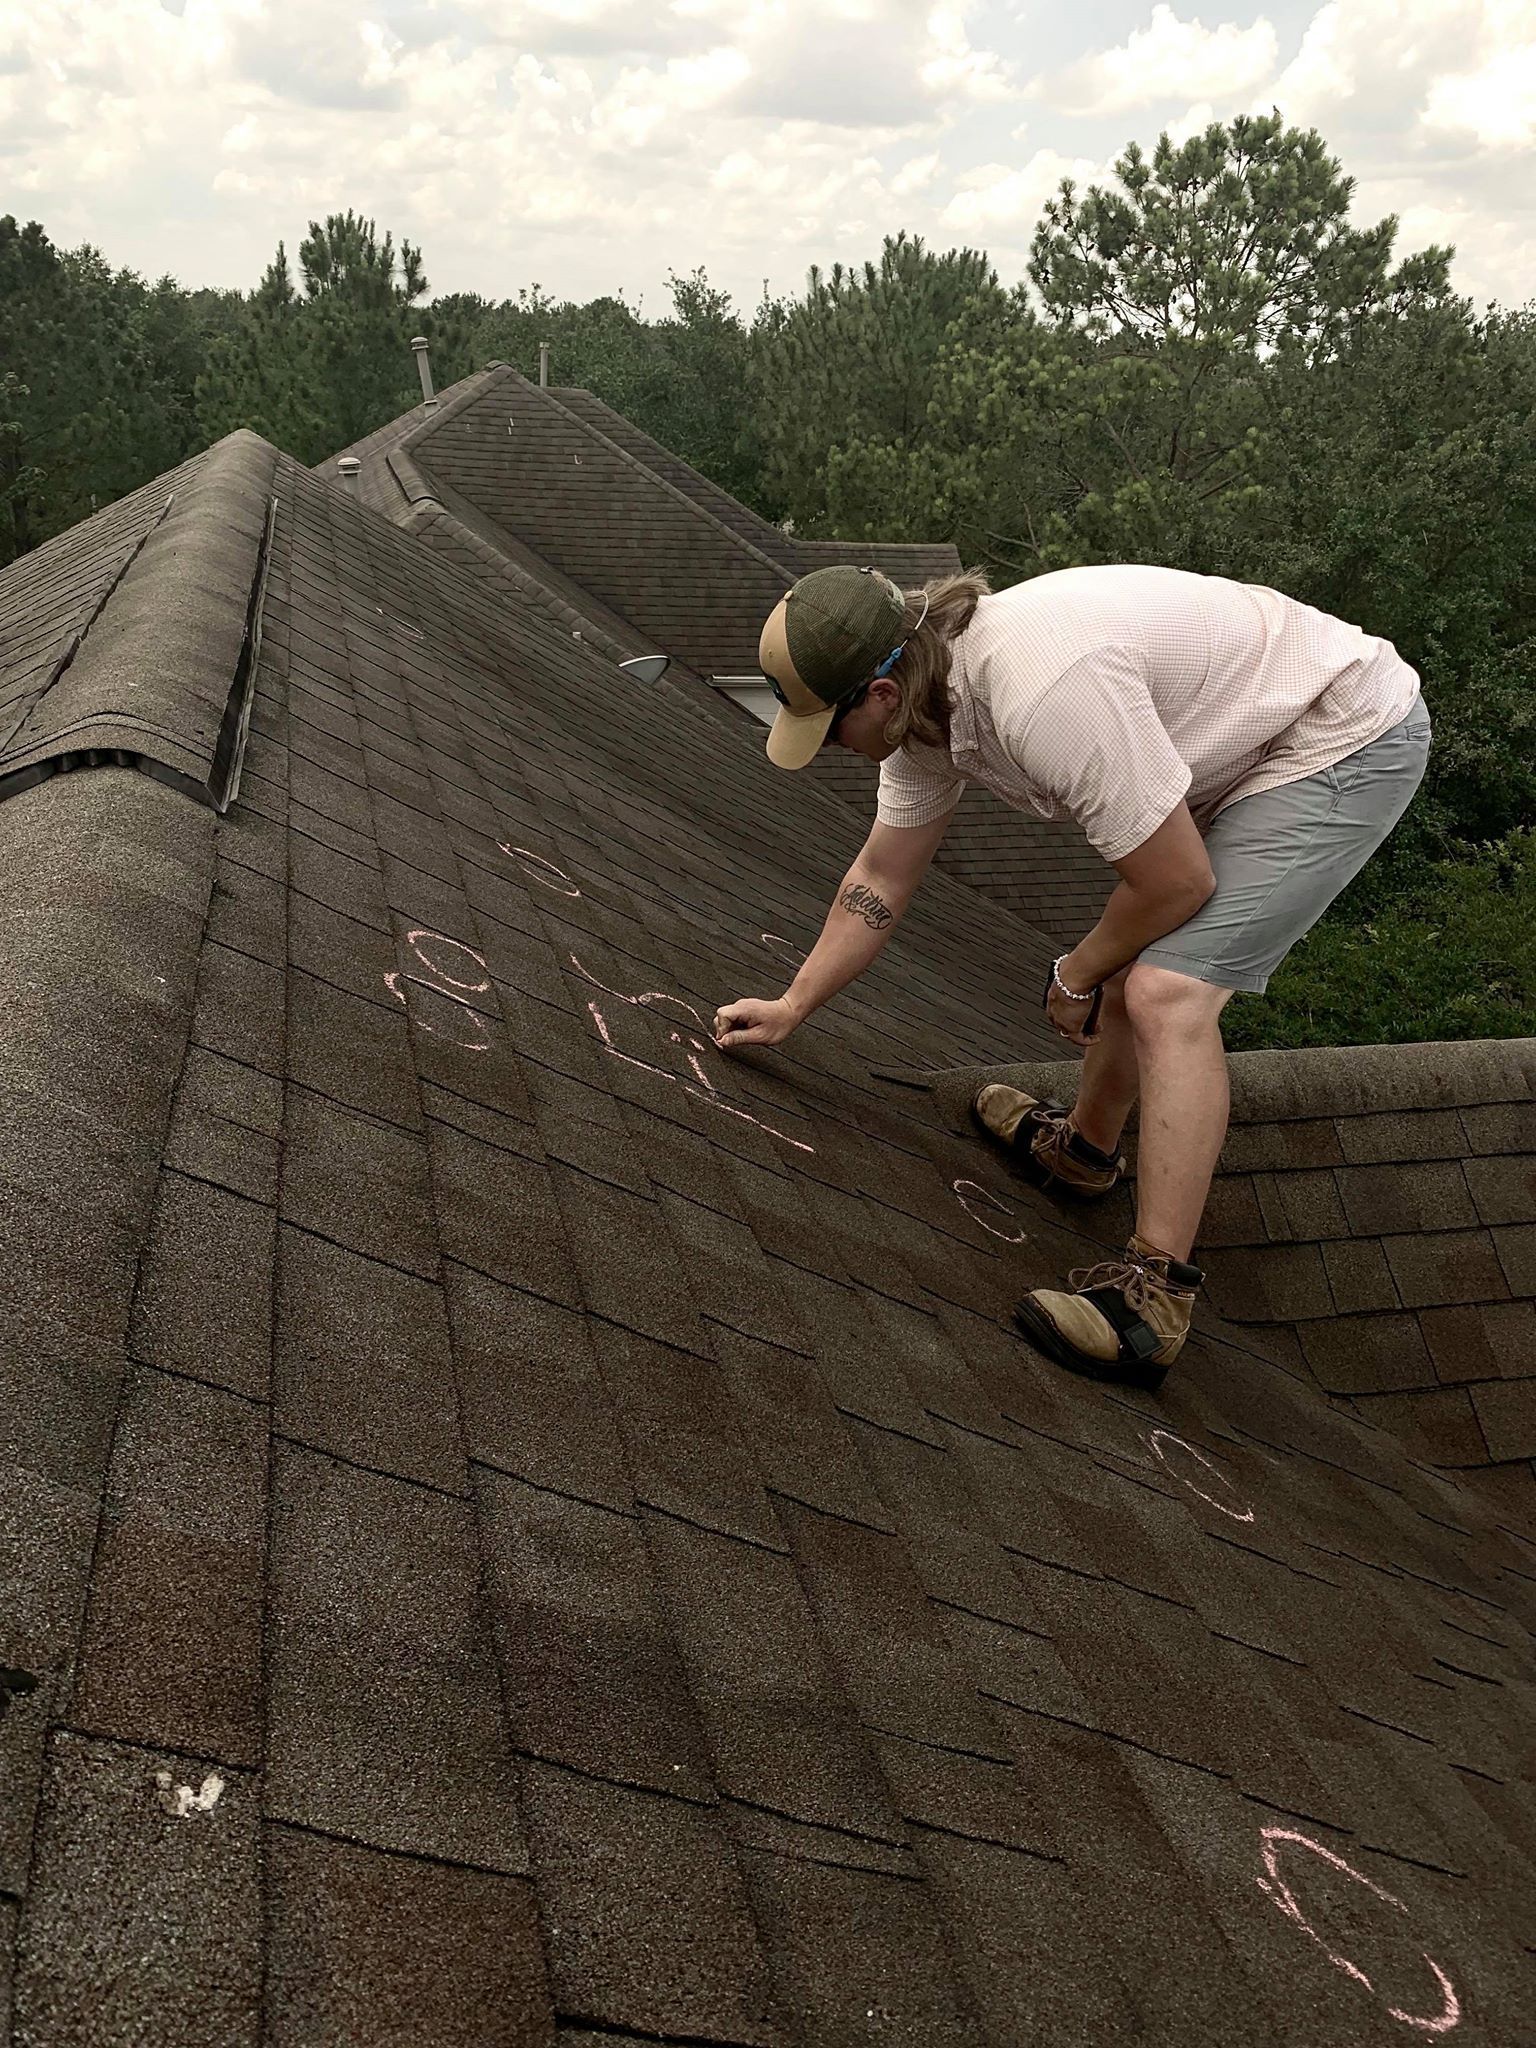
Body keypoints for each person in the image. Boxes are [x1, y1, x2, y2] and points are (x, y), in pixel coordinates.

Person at [711, 561, 1432, 1392]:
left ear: (876, 694)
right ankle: (1085, 1153)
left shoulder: (1041, 693)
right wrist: (794, 1003)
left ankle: (1154, 1303)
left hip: (1340, 731)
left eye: (827, 730)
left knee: (1166, 990)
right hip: (1247, 727)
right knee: (1140, 957)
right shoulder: (926, 699)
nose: (833, 752)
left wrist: (1075, 971)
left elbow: (1175, 883)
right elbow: (883, 874)